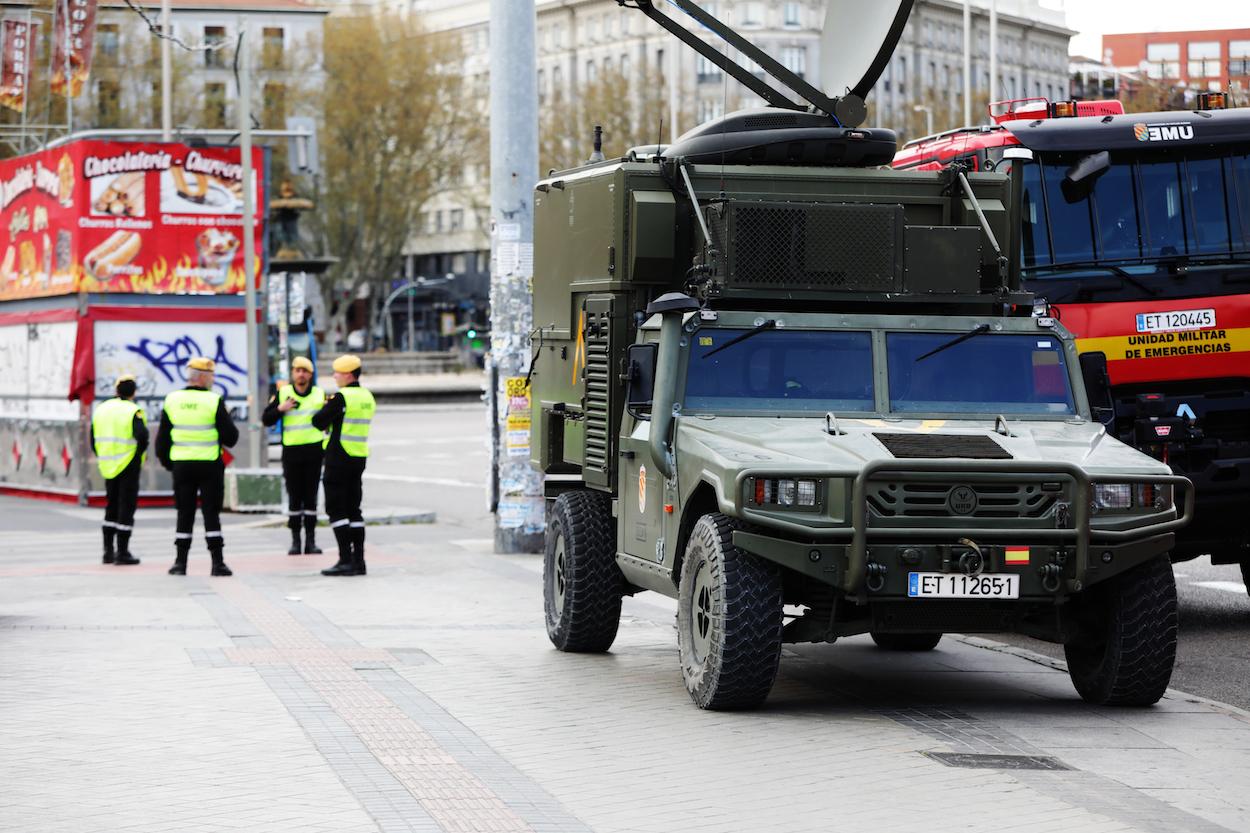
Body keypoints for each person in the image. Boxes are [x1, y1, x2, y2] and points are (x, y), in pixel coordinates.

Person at [156, 357, 240, 577]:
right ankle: (217, 563)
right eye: (211, 375)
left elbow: (162, 440)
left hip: (182, 466)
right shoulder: (213, 401)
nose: (212, 379)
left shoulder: (172, 400)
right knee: (211, 513)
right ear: (203, 377)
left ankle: (180, 563)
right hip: (209, 466)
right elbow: (231, 438)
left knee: (184, 513)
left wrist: (170, 464)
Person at [313, 354, 375, 576]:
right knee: (354, 510)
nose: (334, 376)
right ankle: (359, 561)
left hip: (338, 458)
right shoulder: (367, 396)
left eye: (337, 372)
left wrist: (326, 407)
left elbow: (318, 421)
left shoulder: (341, 397)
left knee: (336, 508)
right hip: (358, 457)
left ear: (348, 375)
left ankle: (344, 559)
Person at [262, 356, 326, 555]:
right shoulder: (283, 393)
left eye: (304, 371)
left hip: (314, 451)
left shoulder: (318, 394)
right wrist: (281, 409)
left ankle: (311, 541)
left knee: (311, 498)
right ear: (292, 373)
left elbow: (327, 419)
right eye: (297, 371)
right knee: (294, 498)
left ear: (310, 374)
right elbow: (266, 419)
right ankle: (296, 541)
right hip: (292, 452)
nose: (301, 374)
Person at [91, 375, 149, 566]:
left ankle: (107, 551)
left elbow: (93, 438)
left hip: (108, 465)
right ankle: (122, 552)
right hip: (128, 465)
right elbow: (142, 436)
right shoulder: (133, 411)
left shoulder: (101, 410)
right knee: (126, 507)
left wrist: (103, 455)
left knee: (111, 506)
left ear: (116, 391)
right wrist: (138, 456)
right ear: (133, 392)